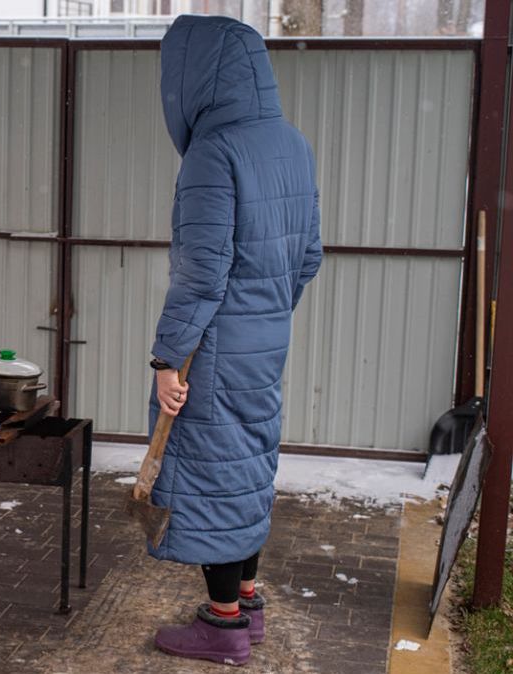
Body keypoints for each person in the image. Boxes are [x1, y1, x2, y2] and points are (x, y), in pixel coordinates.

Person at [145, 15, 322, 666]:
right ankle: (248, 602)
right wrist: (267, 311)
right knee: (247, 469)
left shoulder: (213, 154)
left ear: (193, 78)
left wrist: (168, 358)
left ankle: (222, 629)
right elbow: (309, 257)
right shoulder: (291, 145)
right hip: (265, 342)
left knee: (210, 476)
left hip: (212, 350)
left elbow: (201, 272)